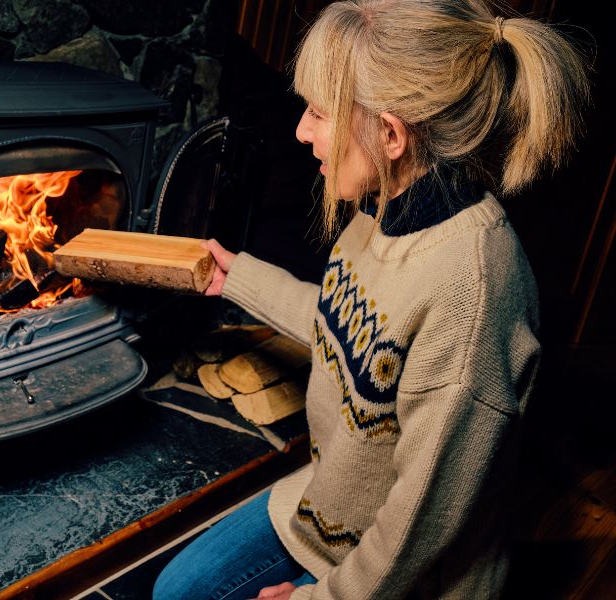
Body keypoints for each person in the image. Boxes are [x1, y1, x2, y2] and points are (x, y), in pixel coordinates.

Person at [153, 0, 591, 598]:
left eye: (317, 112)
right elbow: (351, 334)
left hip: (404, 576)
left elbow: (421, 525)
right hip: (325, 511)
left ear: (389, 134)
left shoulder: (474, 297)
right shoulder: (381, 209)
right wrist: (235, 279)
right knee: (175, 589)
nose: (301, 131)